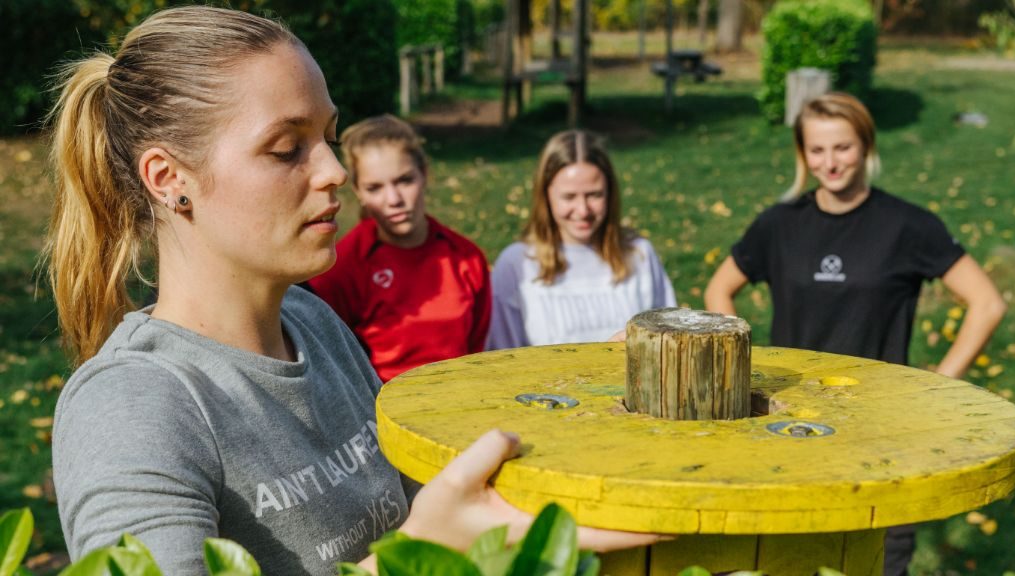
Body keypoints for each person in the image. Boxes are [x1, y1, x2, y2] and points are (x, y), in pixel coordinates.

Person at [44, 7, 654, 575]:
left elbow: (427, 500)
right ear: (167, 178)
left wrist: (575, 404)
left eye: (328, 138)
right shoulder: (132, 406)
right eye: (286, 149)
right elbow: (422, 535)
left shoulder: (313, 323)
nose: (335, 171)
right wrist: (413, 558)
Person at [704, 92, 1006, 576]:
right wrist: (744, 364)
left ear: (866, 146)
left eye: (842, 147)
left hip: (880, 430)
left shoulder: (908, 225)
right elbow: (720, 288)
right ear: (802, 155)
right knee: (781, 555)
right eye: (817, 150)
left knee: (878, 560)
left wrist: (940, 384)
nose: (831, 162)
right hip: (786, 422)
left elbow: (987, 303)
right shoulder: (779, 224)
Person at [307, 115, 490, 383]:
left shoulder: (466, 259)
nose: (394, 199)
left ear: (425, 174)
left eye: (404, 180)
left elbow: (477, 353)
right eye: (375, 188)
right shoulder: (341, 267)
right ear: (358, 191)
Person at [487, 130, 676, 349]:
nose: (583, 210)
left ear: (610, 193)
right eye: (569, 197)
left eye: (594, 195)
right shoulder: (517, 265)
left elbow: (669, 345)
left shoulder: (639, 254)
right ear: (545, 194)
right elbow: (503, 363)